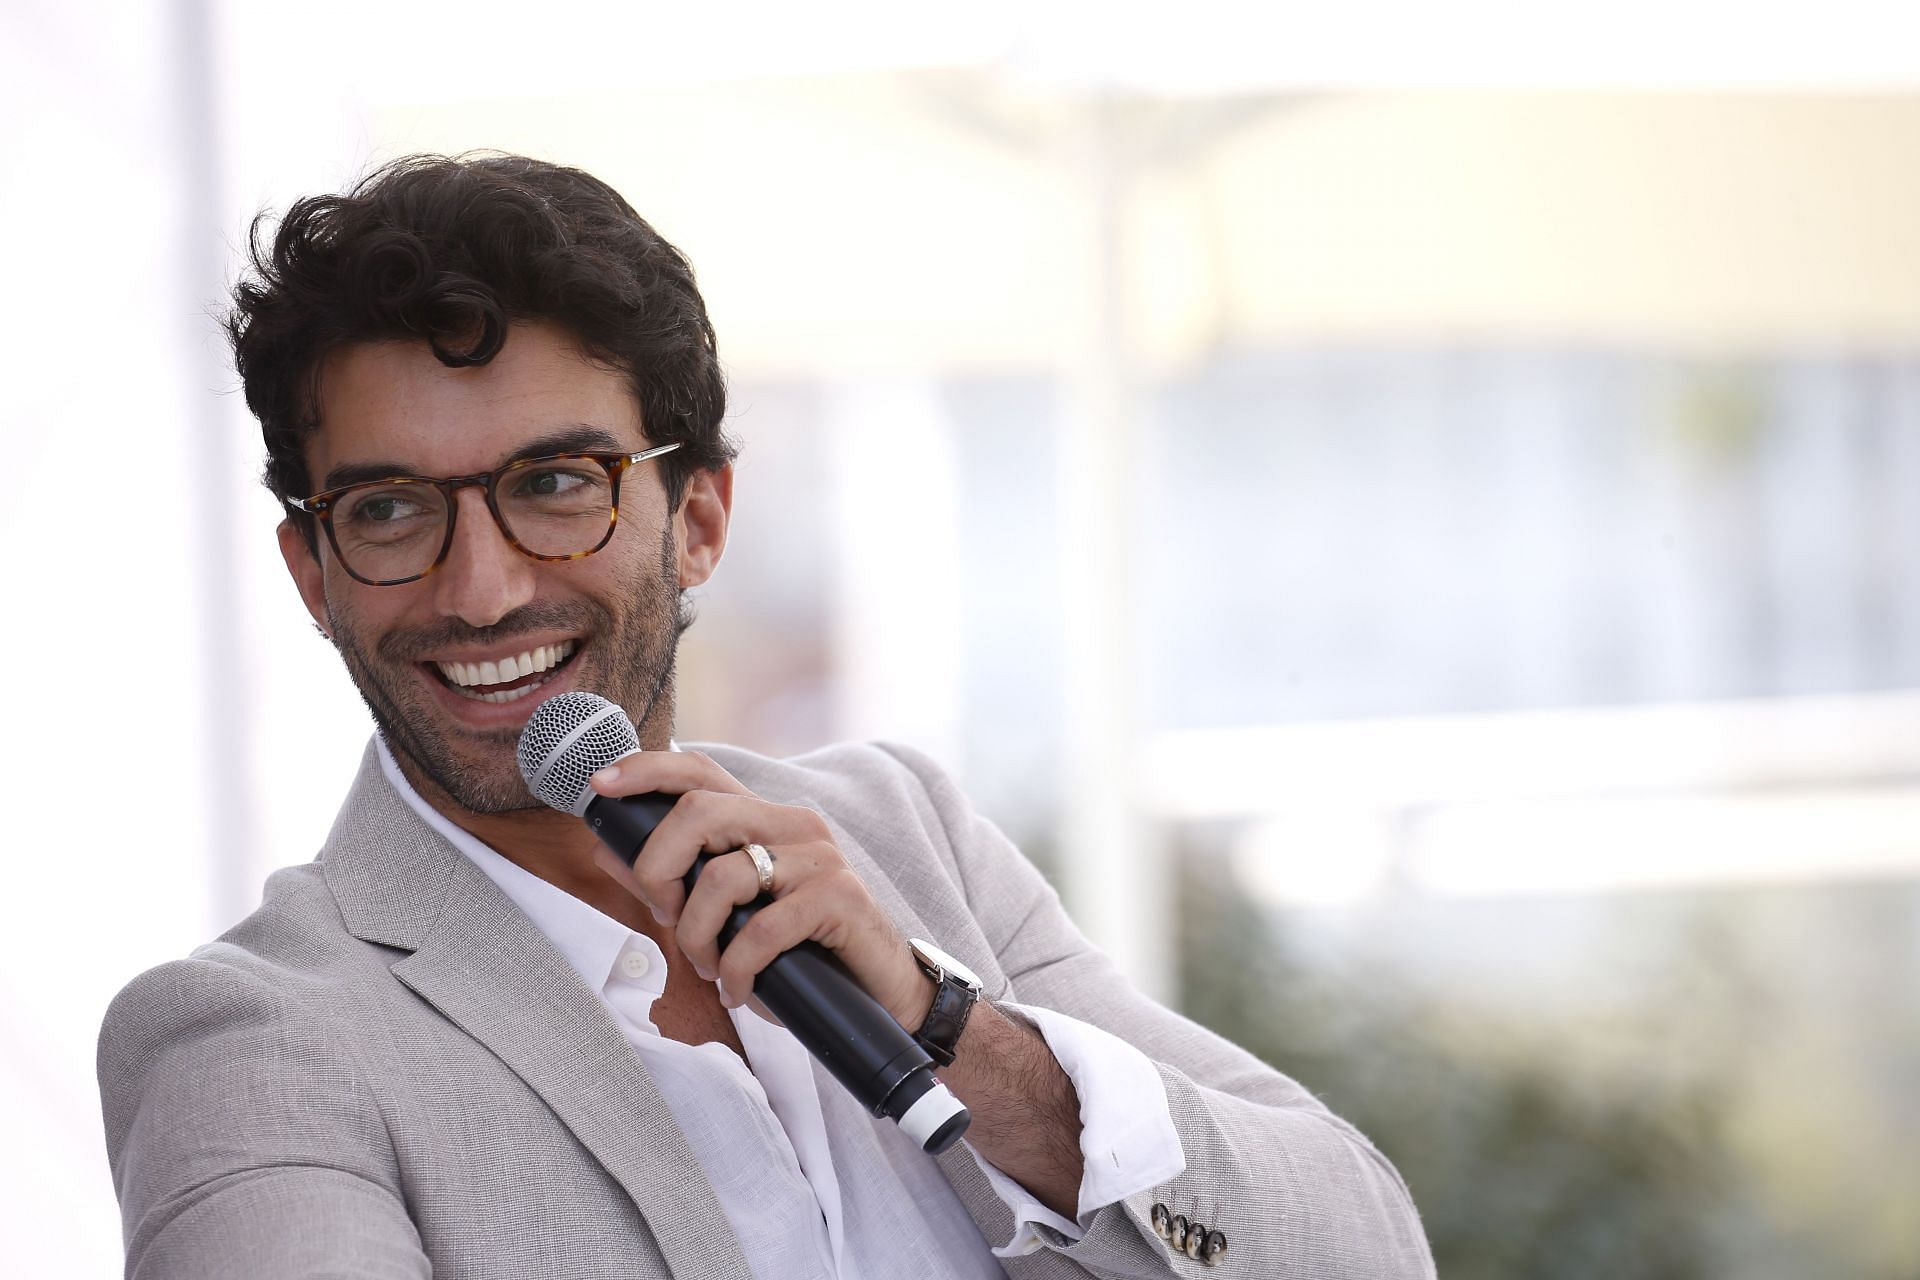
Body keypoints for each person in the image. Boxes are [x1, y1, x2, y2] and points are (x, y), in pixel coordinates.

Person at [97, 153, 1435, 1279]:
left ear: (700, 521)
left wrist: (948, 1028)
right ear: (313, 575)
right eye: (389, 510)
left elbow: (1363, 1245)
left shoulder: (903, 836)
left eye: (556, 484)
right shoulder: (249, 1044)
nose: (483, 587)